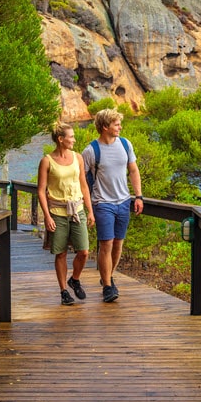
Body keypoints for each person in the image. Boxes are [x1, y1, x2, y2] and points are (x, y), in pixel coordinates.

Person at [82, 108, 142, 303]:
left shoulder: (125, 144)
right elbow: (81, 179)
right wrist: (87, 206)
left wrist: (139, 196)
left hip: (123, 201)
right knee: (106, 244)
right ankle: (108, 286)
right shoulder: (91, 151)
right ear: (105, 127)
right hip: (102, 203)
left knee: (118, 244)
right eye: (116, 124)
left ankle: (109, 277)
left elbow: (133, 170)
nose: (120, 127)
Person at [37, 122, 95, 306]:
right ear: (61, 139)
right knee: (60, 253)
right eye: (71, 137)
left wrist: (90, 210)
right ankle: (63, 291)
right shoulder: (47, 161)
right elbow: (41, 190)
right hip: (57, 212)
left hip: (77, 210)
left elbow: (84, 185)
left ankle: (75, 279)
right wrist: (46, 216)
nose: (74, 139)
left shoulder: (78, 157)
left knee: (84, 251)